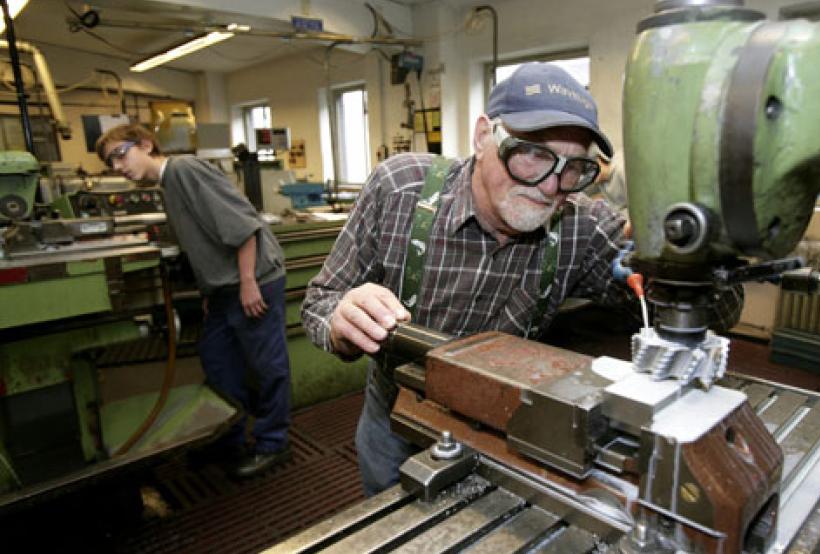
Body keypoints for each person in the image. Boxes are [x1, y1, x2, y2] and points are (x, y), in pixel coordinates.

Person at [302, 62, 634, 496]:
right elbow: (319, 302)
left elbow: (711, 304)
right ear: (483, 137)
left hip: (501, 432)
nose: (551, 186)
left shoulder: (581, 225)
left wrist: (671, 251)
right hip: (393, 422)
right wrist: (342, 322)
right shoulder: (401, 190)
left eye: (574, 168)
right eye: (532, 152)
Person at [96, 124, 293, 478]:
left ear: (145, 144)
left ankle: (272, 443)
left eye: (120, 155)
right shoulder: (166, 185)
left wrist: (248, 282)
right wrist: (209, 292)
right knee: (218, 363)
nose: (117, 167)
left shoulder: (185, 170)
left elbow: (244, 226)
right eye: (110, 163)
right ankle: (227, 437)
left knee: (266, 367)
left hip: (253, 279)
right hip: (221, 289)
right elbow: (202, 244)